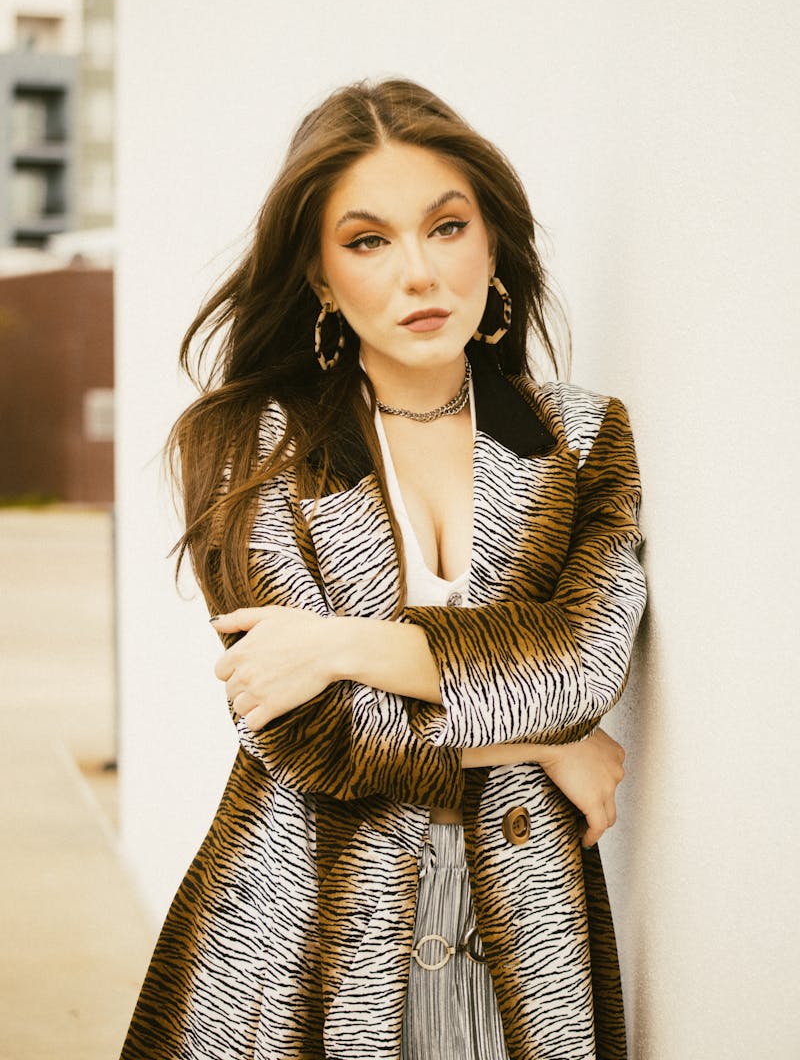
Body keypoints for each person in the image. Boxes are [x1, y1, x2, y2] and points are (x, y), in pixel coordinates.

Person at [120, 79, 646, 1060]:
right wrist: (544, 746)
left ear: (492, 246)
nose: (418, 273)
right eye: (366, 242)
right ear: (318, 277)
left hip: (521, 944)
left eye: (446, 227)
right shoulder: (247, 444)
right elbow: (305, 733)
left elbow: (579, 667)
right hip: (302, 942)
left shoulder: (579, 439)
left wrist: (343, 643)